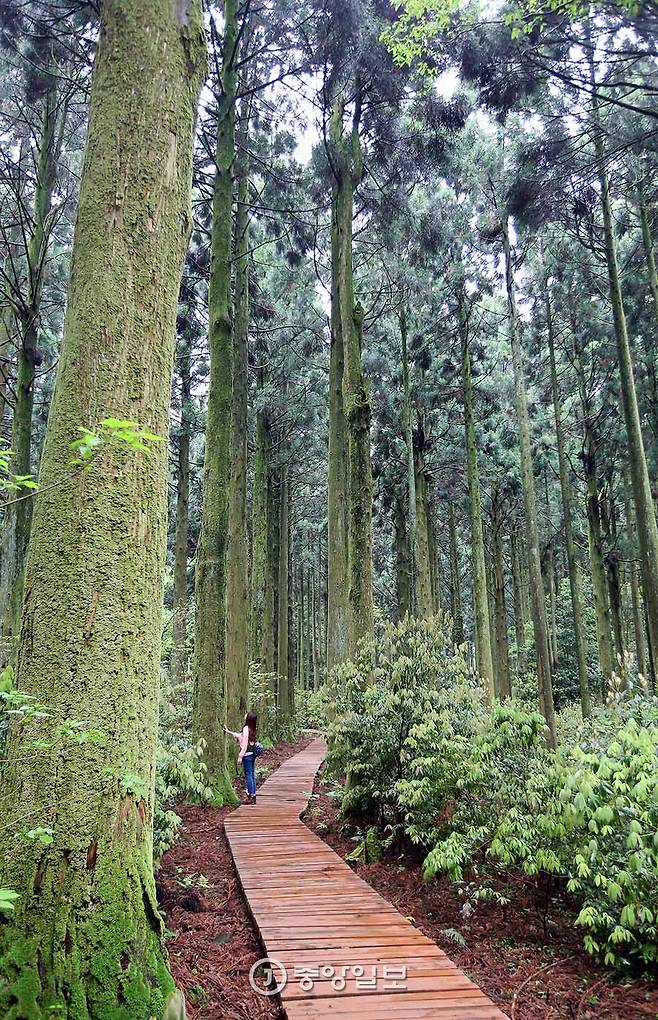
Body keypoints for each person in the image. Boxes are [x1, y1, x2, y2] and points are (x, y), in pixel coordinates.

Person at [225, 711, 258, 803]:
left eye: (247, 714)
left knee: (249, 776)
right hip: (252, 754)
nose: (245, 715)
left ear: (248, 718)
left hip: (247, 755)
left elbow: (245, 744)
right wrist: (229, 732)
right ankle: (253, 795)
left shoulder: (246, 728)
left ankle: (251, 796)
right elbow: (241, 736)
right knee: (251, 775)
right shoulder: (252, 727)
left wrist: (240, 756)